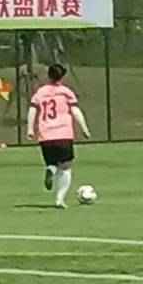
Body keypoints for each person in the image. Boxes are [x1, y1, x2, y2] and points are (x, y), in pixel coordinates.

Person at [26, 63, 91, 209]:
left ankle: (51, 169)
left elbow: (32, 110)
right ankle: (59, 199)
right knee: (66, 167)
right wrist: (84, 128)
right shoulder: (66, 92)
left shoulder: (41, 92)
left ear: (48, 75)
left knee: (52, 162)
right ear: (62, 77)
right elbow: (75, 111)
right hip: (63, 133)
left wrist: (30, 129)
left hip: (46, 134)